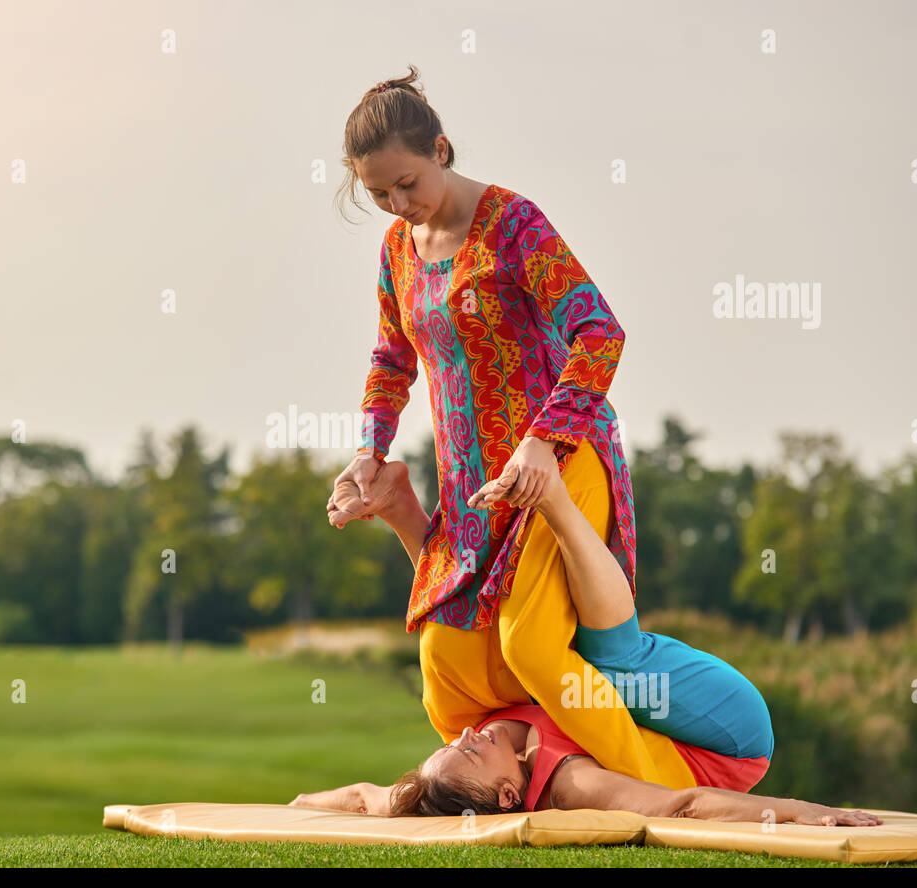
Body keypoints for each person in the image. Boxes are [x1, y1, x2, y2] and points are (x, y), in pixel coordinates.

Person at [330, 65, 671, 786]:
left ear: (442, 150)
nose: (398, 203)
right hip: (470, 491)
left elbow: (600, 332)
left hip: (559, 462)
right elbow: (392, 359)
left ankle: (661, 795)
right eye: (379, 193)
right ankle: (541, 782)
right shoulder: (396, 253)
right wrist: (370, 451)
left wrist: (544, 441)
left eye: (407, 184)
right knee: (447, 674)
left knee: (534, 646)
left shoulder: (514, 224)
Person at [299, 460, 882, 827]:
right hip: (725, 735)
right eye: (474, 750)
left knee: (449, 666)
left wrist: (300, 804)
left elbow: (364, 798)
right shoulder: (570, 782)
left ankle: (405, 513)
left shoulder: (454, 767)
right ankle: (555, 500)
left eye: (460, 743)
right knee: (585, 659)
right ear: (509, 796)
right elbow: (682, 807)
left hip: (624, 710)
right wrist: (806, 810)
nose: (472, 735)